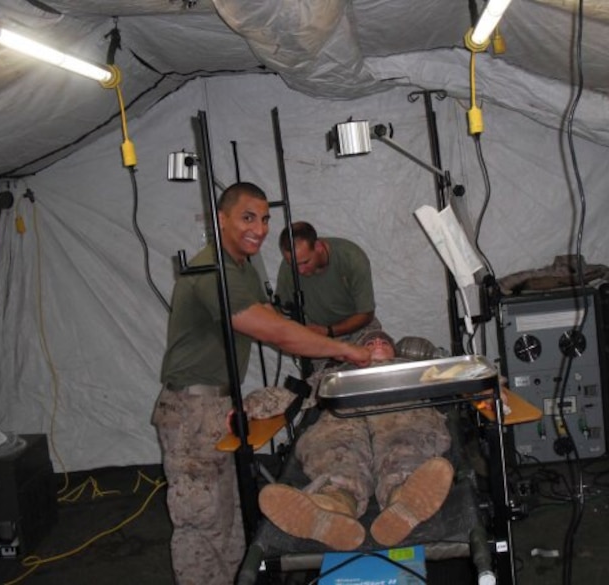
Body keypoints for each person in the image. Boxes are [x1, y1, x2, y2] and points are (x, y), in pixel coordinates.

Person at [151, 182, 371, 585]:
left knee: (231, 516)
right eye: (248, 217)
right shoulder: (212, 271)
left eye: (265, 219)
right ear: (221, 219)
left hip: (219, 405)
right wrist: (346, 351)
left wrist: (326, 352)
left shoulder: (243, 268)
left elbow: (278, 320)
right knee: (202, 523)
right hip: (190, 411)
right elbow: (274, 332)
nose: (260, 228)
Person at [257, 330, 455, 551]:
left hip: (400, 411)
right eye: (370, 342)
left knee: (404, 445)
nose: (378, 343)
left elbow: (463, 375)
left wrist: (498, 390)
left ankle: (403, 499)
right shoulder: (336, 373)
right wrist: (249, 408)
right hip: (344, 416)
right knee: (336, 449)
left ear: (396, 351)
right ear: (356, 353)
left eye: (385, 342)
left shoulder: (411, 367)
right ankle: (334, 505)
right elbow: (296, 393)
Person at [276, 221, 380, 342]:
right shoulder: (287, 269)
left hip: (358, 327)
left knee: (377, 353)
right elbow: (280, 312)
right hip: (317, 332)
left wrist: (329, 331)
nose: (300, 270)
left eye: (305, 262)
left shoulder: (351, 258)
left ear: (318, 246)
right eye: (293, 264)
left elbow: (366, 314)